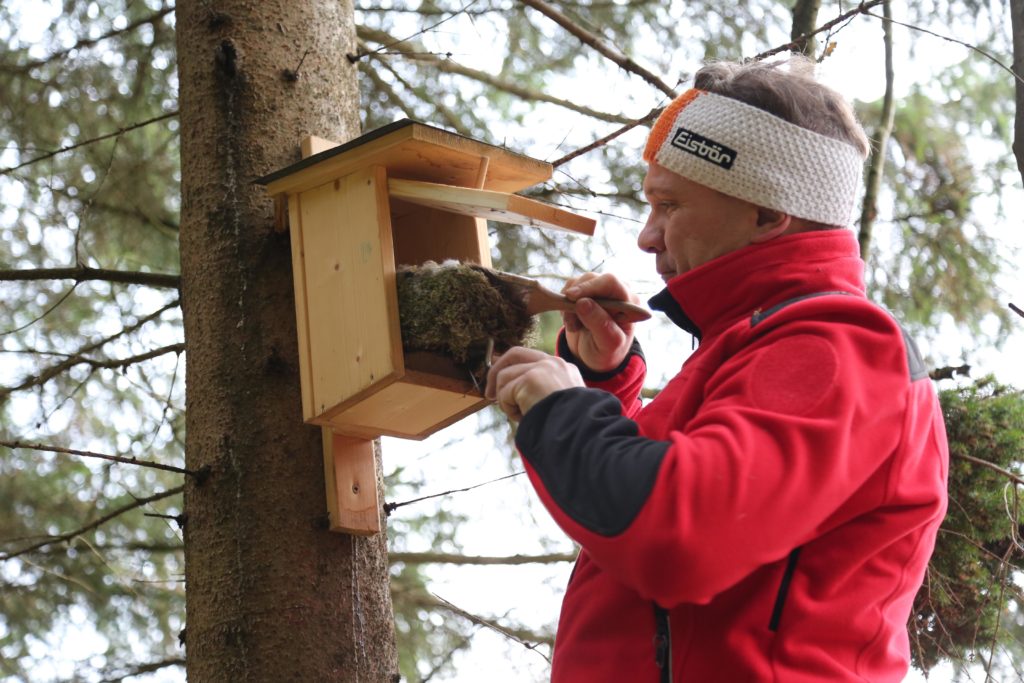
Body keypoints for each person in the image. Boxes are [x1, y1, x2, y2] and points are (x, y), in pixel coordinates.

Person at [484, 57, 949, 683]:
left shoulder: (837, 345)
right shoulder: (758, 344)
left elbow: (676, 536)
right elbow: (657, 537)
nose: (647, 238)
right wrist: (604, 385)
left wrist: (562, 411)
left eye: (669, 206)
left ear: (767, 214)